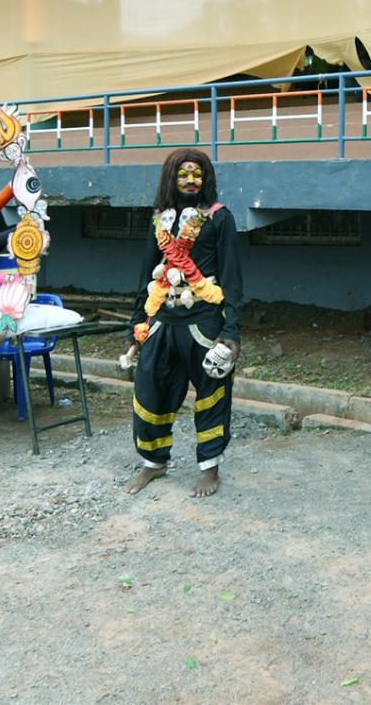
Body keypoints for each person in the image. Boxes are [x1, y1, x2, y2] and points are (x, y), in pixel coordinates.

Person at [124, 149, 244, 497]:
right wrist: (136, 325)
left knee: (211, 396)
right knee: (150, 391)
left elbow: (232, 278)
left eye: (197, 174)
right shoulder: (158, 220)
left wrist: (231, 331)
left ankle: (210, 470)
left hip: (205, 323)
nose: (191, 180)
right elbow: (146, 271)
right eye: (183, 174)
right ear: (170, 179)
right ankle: (154, 463)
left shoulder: (220, 218)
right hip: (161, 321)